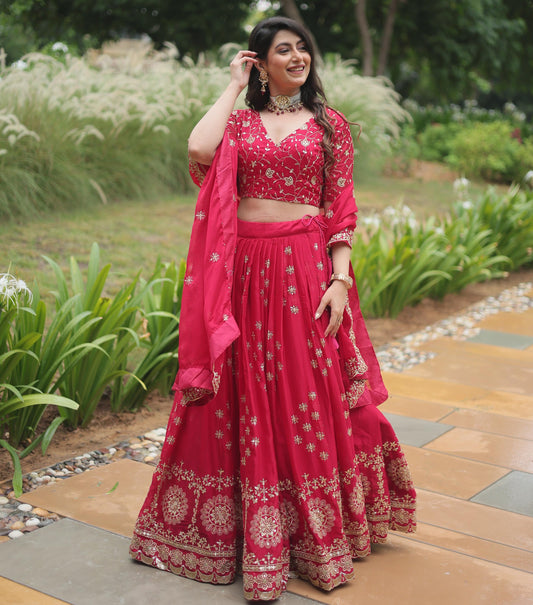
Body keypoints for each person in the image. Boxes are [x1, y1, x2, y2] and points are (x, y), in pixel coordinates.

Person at [129, 16, 416, 601]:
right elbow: (197, 149)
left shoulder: (330, 126)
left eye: (302, 47)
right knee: (238, 388)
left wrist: (339, 279)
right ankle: (237, 531)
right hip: (242, 275)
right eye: (282, 49)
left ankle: (312, 533)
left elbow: (340, 210)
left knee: (306, 393)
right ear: (261, 62)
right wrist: (234, 85)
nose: (297, 56)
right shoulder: (238, 122)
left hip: (304, 275)